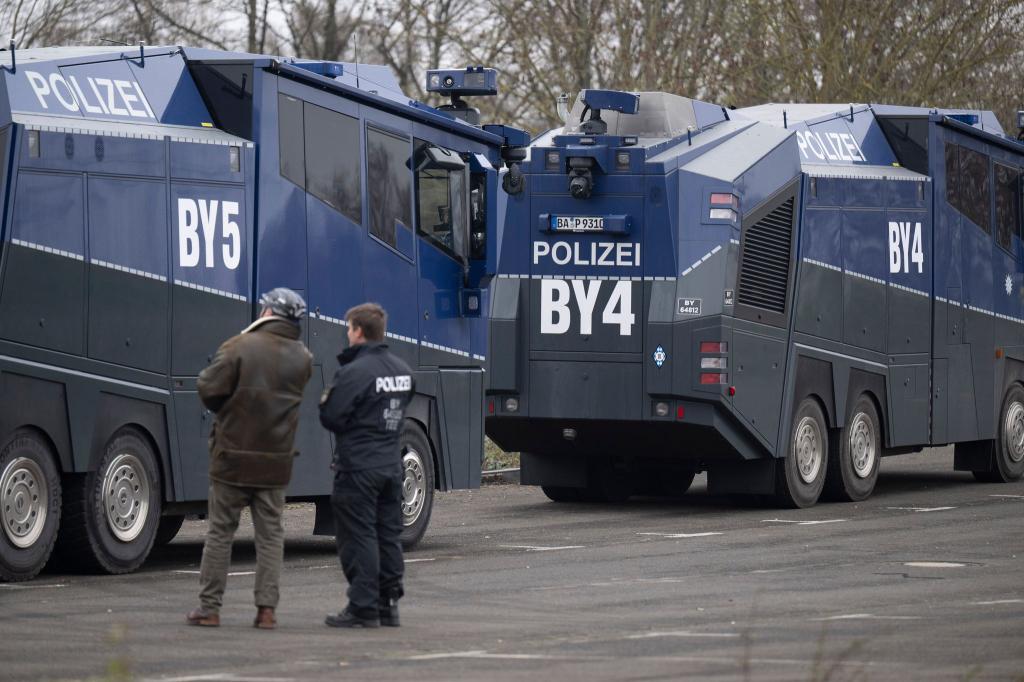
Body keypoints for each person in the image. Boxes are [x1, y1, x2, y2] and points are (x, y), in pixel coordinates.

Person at [186, 288, 313, 630]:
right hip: (275, 462)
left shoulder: (238, 347)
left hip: (232, 459)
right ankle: (266, 611)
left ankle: (209, 608)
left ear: (269, 311)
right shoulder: (302, 357)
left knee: (220, 533)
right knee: (270, 536)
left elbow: (208, 388)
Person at [319, 302, 415, 628]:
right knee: (387, 535)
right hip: (391, 465)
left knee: (358, 535)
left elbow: (331, 416)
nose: (347, 334)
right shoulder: (402, 370)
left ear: (359, 331)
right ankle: (388, 604)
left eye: (349, 328)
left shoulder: (354, 372)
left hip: (358, 468)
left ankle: (363, 606)